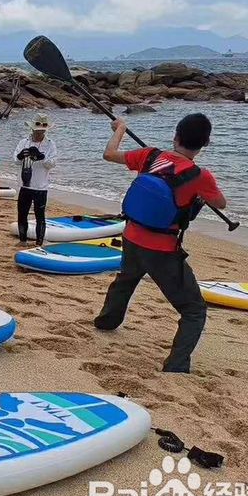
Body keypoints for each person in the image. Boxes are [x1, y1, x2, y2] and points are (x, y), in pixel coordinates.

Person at [95, 114, 226, 374]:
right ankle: (176, 366)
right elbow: (220, 204)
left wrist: (120, 128)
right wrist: (199, 193)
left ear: (175, 136)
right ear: (205, 144)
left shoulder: (150, 156)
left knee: (126, 279)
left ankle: (106, 321)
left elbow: (109, 154)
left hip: (131, 236)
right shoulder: (200, 176)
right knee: (194, 309)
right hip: (162, 251)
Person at [13, 113, 57, 245]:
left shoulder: (50, 145)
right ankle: (22, 240)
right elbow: (15, 161)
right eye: (37, 130)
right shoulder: (23, 142)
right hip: (25, 184)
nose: (39, 133)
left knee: (40, 215)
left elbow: (52, 164)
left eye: (42, 131)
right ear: (32, 129)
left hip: (40, 185)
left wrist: (41, 157)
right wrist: (21, 156)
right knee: (22, 213)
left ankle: (39, 242)